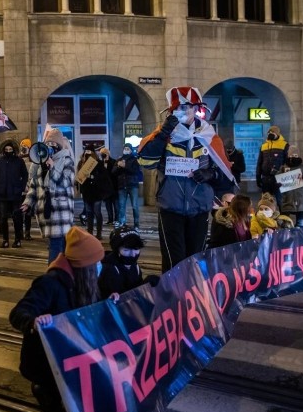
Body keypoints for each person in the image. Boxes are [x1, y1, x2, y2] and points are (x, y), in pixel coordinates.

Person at [9, 226, 105, 412]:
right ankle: (43, 391)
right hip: (47, 360)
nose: (99, 267)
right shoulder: (50, 283)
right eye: (95, 263)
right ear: (84, 267)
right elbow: (18, 313)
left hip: (72, 353)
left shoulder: (84, 283)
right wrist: (33, 322)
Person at [137, 86, 234, 273]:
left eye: (186, 107)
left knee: (194, 258)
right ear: (170, 111)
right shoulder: (163, 135)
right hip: (171, 206)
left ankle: (192, 296)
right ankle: (173, 298)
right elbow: (146, 162)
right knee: (174, 260)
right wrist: (163, 134)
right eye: (177, 108)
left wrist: (210, 174)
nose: (182, 111)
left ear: (195, 109)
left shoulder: (209, 136)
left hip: (199, 207)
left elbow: (226, 174)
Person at [20, 128, 76, 262]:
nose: (51, 148)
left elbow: (65, 182)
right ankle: (62, 274)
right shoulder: (41, 163)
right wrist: (27, 202)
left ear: (58, 146)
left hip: (60, 213)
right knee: (58, 246)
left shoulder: (67, 160)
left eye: (53, 145)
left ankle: (54, 275)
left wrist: (53, 168)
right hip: (46, 211)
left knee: (56, 247)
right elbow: (34, 185)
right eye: (48, 144)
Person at [0, 139, 28, 248]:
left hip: (15, 194)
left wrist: (21, 187)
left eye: (10, 149)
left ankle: (17, 239)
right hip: (2, 194)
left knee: (17, 217)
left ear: (14, 150)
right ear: (3, 150)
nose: (8, 151)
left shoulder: (19, 161)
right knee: (3, 218)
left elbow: (25, 175)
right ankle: (5, 239)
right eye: (6, 149)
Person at [99, 225, 155, 299]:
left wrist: (146, 285)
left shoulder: (134, 266)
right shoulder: (109, 269)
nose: (132, 254)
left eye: (136, 249)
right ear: (117, 250)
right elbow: (121, 298)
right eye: (126, 250)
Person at [78, 147, 113, 240]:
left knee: (97, 212)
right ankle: (90, 232)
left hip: (97, 193)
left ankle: (98, 233)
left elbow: (103, 177)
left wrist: (92, 176)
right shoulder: (81, 163)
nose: (88, 155)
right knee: (89, 212)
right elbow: (79, 177)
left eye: (90, 153)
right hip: (87, 192)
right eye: (86, 153)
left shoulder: (98, 164)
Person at [278, 145, 303, 227]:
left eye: (296, 155)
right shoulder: (284, 167)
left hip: (301, 198)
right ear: (288, 156)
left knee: (300, 223)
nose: (294, 157)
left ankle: (299, 237)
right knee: (286, 224)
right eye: (292, 155)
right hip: (288, 198)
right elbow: (278, 181)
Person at [256, 125, 289, 204]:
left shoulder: (284, 145)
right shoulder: (264, 146)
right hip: (266, 178)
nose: (270, 134)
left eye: (272, 132)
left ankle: (282, 215)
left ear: (277, 134)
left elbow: (287, 162)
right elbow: (259, 163)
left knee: (280, 200)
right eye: (269, 132)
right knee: (266, 201)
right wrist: (258, 176)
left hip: (279, 177)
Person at [113, 142, 141, 230]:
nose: (126, 150)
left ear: (131, 150)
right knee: (121, 206)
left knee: (135, 206)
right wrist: (118, 166)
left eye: (128, 149)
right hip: (122, 186)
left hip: (132, 185)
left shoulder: (134, 160)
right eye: (125, 149)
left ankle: (136, 224)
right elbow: (113, 172)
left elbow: (136, 171)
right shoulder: (119, 160)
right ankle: (122, 223)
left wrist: (125, 166)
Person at [97, 147, 118, 229]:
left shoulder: (113, 161)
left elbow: (113, 173)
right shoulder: (100, 163)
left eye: (104, 153)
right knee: (108, 205)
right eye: (102, 153)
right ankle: (110, 219)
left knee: (116, 205)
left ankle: (116, 219)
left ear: (108, 153)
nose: (103, 155)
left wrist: (107, 162)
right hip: (105, 189)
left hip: (114, 187)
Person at [18, 139, 35, 239]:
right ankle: (20, 232)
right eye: (22, 147)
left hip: (28, 189)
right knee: (19, 212)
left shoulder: (32, 159)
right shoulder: (18, 159)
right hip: (20, 189)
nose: (23, 149)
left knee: (27, 212)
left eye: (25, 147)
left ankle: (27, 232)